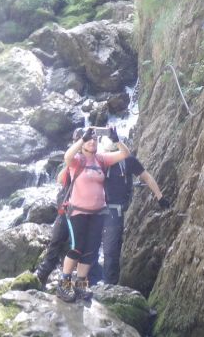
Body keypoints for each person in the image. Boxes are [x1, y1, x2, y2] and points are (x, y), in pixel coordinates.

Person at [55, 125, 129, 302]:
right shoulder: (77, 160)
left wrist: (116, 140)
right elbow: (67, 157)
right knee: (77, 247)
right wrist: (83, 138)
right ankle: (64, 283)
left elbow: (125, 154)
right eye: (89, 140)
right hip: (77, 212)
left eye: (95, 139)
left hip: (98, 213)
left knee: (91, 250)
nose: (92, 142)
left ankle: (81, 284)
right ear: (82, 143)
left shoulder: (101, 159)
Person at [96, 137, 171, 284]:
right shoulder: (100, 160)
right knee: (101, 251)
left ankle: (106, 286)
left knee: (109, 251)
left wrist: (160, 197)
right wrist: (159, 197)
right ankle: (95, 285)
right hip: (100, 210)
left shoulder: (125, 161)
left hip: (109, 211)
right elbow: (147, 177)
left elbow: (146, 177)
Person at [33, 127, 85, 286]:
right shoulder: (72, 160)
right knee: (57, 246)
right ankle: (40, 279)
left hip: (77, 213)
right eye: (77, 140)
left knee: (74, 250)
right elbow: (60, 179)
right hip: (66, 211)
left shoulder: (89, 160)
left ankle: (69, 283)